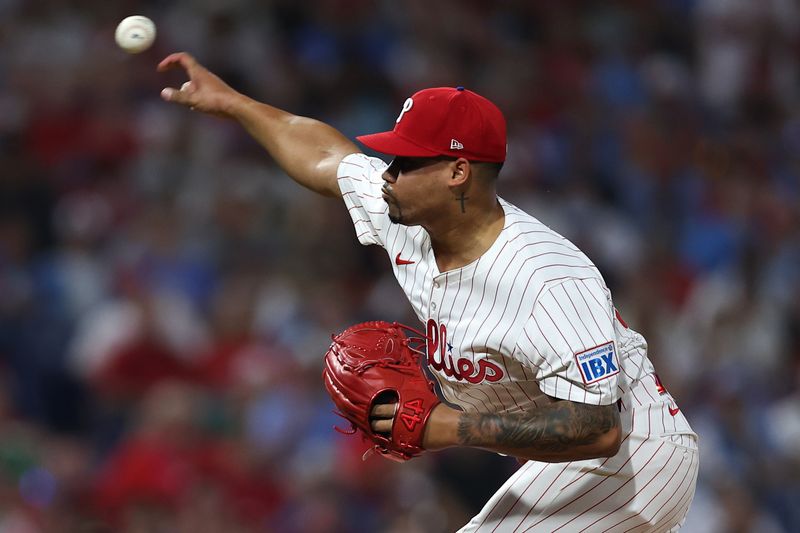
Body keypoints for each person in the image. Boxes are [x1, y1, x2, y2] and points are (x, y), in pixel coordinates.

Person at [158, 52, 699, 532]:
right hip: (570, 465)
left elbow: (597, 428)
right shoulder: (408, 213)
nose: (388, 174)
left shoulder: (546, 278)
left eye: (406, 162)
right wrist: (235, 105)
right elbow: (326, 158)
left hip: (634, 459)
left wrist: (450, 426)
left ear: (458, 172)